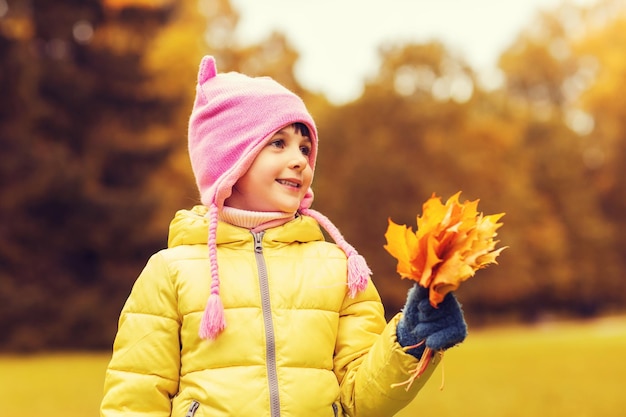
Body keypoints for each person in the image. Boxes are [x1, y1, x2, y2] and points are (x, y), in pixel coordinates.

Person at [100, 55, 468, 417]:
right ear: (232, 159)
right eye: (279, 143)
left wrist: (409, 342)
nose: (301, 161)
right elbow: (134, 399)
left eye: (305, 148)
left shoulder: (337, 267)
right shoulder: (171, 271)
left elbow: (361, 400)